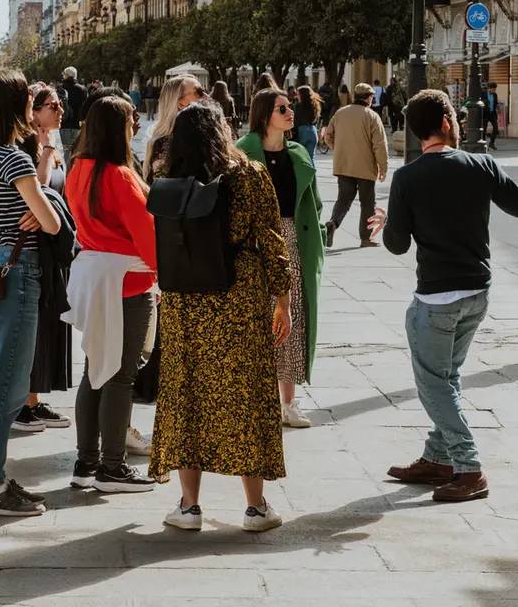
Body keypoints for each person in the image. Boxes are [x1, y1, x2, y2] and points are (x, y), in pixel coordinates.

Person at [370, 89, 518, 503]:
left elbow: (398, 245)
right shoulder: (481, 165)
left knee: (432, 385)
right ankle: (438, 458)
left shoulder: (407, 178)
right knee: (448, 377)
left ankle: (468, 465)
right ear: (445, 122)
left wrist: (387, 220)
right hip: (477, 292)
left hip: (437, 299)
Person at [148, 101, 292, 533]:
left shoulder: (167, 181)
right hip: (239, 298)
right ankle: (255, 507)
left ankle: (189, 507)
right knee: (246, 393)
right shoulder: (248, 176)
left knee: (187, 394)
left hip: (185, 300)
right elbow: (270, 239)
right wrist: (282, 298)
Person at [0, 70, 63, 517]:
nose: (33, 101)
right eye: (27, 96)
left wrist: (34, 205)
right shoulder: (15, 159)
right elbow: (52, 223)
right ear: (13, 104)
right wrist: (40, 204)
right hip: (18, 271)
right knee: (6, 387)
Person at [64, 96, 159, 493]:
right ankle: (113, 467)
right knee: (120, 375)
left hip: (93, 277)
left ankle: (86, 463)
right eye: (131, 120)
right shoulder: (119, 176)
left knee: (95, 371)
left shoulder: (78, 169)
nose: (136, 125)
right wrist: (165, 272)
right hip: (127, 282)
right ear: (116, 127)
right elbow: (147, 234)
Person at [237, 89, 325, 430]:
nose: (291, 113)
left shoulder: (298, 152)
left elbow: (313, 201)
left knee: (293, 320)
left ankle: (288, 402)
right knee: (255, 318)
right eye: (282, 109)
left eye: (290, 107)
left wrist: (320, 231)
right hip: (255, 244)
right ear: (264, 116)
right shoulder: (243, 153)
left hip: (294, 240)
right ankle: (255, 399)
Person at [14, 82, 73, 432]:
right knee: (33, 328)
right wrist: (48, 152)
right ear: (34, 111)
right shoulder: (27, 145)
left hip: (53, 248)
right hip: (33, 247)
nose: (60, 109)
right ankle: (22, 403)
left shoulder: (52, 140)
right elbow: (38, 189)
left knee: (49, 325)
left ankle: (33, 398)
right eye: (52, 104)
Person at [322, 82, 389, 249]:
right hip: (365, 167)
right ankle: (366, 238)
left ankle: (333, 223)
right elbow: (379, 145)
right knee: (367, 203)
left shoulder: (340, 113)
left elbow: (328, 136)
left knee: (343, 199)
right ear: (368, 98)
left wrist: (337, 148)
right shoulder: (372, 116)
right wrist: (383, 167)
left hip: (344, 165)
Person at [144, 75, 206, 180]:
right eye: (198, 92)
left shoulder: (204, 132)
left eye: (203, 90)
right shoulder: (166, 142)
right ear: (179, 104)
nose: (206, 96)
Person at [60, 67, 88, 154]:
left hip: (63, 124)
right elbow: (85, 108)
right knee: (76, 151)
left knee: (66, 151)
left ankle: (67, 167)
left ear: (66, 76)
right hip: (77, 124)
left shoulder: (61, 88)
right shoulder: (83, 89)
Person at [292, 85, 322, 163]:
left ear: (302, 95)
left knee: (302, 159)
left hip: (302, 131)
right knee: (311, 158)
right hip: (313, 131)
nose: (296, 96)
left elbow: (296, 121)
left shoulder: (298, 106)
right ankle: (313, 175)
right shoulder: (314, 105)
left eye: (298, 94)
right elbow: (316, 120)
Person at [483, 83, 501, 150]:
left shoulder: (495, 95)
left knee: (496, 129)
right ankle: (484, 145)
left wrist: (498, 108)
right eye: (493, 89)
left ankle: (491, 143)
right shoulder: (483, 94)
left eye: (495, 89)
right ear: (489, 88)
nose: (494, 90)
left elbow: (496, 103)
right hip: (485, 114)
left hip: (492, 114)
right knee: (484, 129)